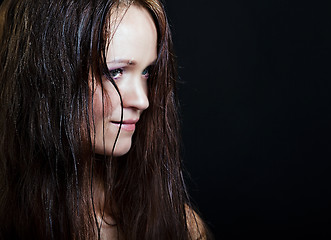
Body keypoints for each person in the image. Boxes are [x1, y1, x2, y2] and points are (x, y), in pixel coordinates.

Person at [0, 0, 210, 239]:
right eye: (115, 72)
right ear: (43, 77)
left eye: (146, 72)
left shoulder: (179, 227)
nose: (143, 101)